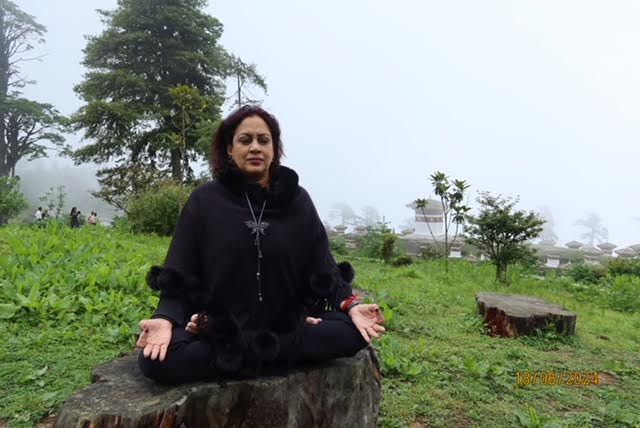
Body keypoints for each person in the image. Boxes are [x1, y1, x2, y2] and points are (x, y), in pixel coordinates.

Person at [136, 105, 385, 385]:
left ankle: (246, 357)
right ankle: (265, 354)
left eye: (263, 140)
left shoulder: (298, 201)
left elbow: (323, 267)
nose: (255, 147)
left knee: (353, 332)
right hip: (223, 329)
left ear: (274, 150)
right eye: (245, 140)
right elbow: (179, 271)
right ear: (229, 149)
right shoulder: (204, 201)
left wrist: (351, 305)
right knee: (155, 360)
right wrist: (164, 319)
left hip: (284, 326)